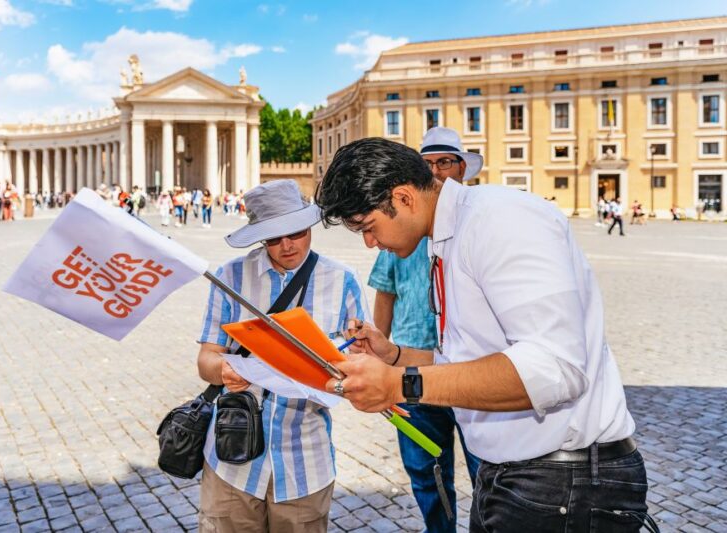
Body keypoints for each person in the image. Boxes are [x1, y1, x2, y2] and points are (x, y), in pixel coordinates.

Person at [314, 138, 654, 532]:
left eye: (368, 228)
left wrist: (398, 384)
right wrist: (394, 355)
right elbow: (471, 364)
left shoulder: (500, 220)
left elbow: (554, 369)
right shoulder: (447, 236)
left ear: (404, 197)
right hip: (520, 479)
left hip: (563, 485)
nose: (370, 243)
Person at [196, 179, 369, 533]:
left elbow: (361, 364)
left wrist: (354, 363)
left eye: (297, 232)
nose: (288, 245)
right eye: (274, 238)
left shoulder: (342, 280)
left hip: (305, 461)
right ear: (259, 236)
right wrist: (225, 370)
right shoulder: (230, 277)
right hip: (234, 460)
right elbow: (206, 360)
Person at [369, 127, 481, 532]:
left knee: (487, 470)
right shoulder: (400, 230)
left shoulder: (475, 226)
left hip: (472, 370)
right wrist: (379, 357)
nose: (434, 171)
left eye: (443, 163)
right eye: (426, 165)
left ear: (462, 168)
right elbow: (385, 292)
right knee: (425, 474)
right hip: (411, 368)